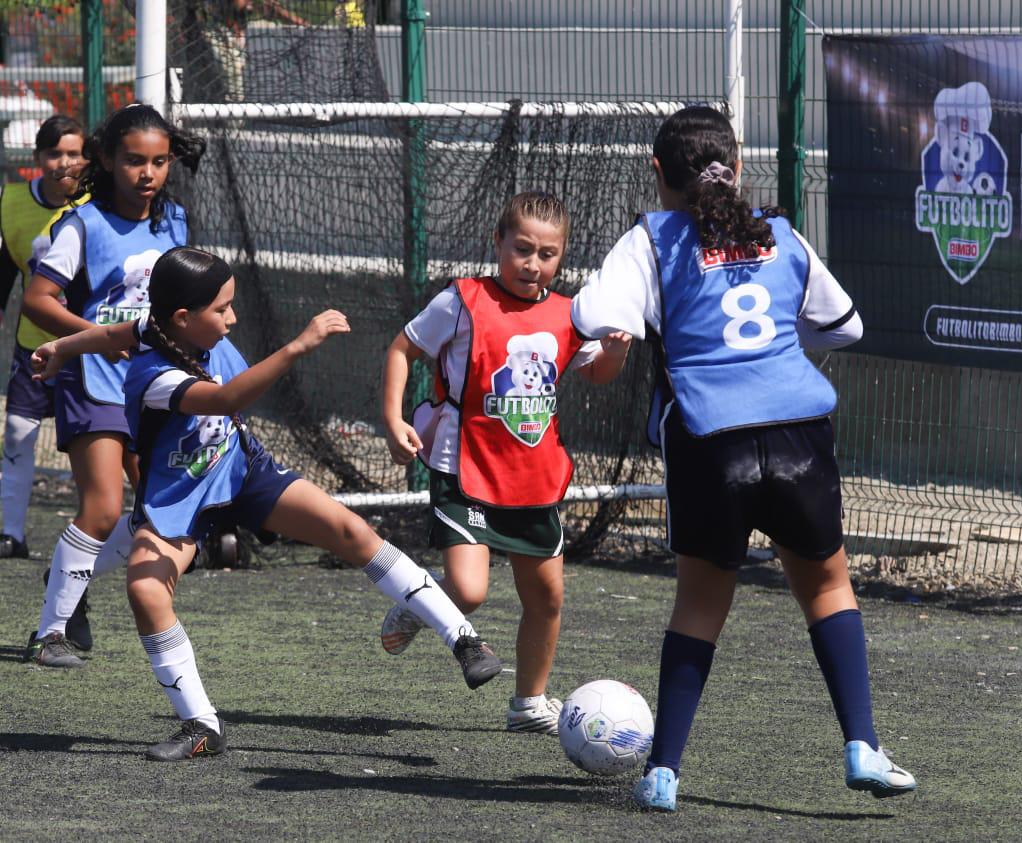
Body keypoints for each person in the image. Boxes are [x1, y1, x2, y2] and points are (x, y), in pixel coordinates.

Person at [570, 106, 917, 811]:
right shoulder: (780, 233)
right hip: (799, 432)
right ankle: (862, 746)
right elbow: (843, 323)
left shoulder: (650, 239)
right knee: (826, 589)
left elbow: (598, 320)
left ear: (658, 172)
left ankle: (663, 771)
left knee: (699, 605)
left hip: (710, 438)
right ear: (740, 164)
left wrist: (614, 341)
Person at [32, 245, 502, 760]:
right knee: (146, 590)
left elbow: (117, 332)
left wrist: (63, 348)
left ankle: (465, 640)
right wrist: (298, 346)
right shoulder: (154, 377)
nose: (233, 318)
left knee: (352, 532)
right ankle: (201, 724)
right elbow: (226, 399)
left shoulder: (158, 327)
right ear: (185, 318)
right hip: (180, 497)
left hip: (241, 468)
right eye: (222, 309)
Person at [379, 191, 632, 734]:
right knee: (469, 591)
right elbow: (403, 349)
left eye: (547, 253)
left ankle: (528, 705)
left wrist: (614, 352)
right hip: (463, 465)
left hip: (533, 479)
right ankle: (420, 603)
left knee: (547, 598)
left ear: (562, 256)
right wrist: (394, 417)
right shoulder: (462, 300)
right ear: (498, 242)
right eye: (522, 249)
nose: (533, 263)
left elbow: (596, 374)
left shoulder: (571, 313)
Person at [21, 104, 202, 668]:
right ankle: (50, 634)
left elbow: (186, 309)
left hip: (154, 386)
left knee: (157, 513)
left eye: (158, 162)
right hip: (92, 380)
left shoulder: (174, 222)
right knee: (101, 508)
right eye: (133, 161)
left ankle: (68, 574)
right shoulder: (83, 224)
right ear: (104, 158)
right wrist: (98, 337)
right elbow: (37, 301)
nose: (147, 173)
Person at [0, 116, 87, 563]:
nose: (64, 162)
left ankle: (110, 533)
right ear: (37, 158)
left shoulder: (101, 205)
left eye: (74, 153)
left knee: (100, 445)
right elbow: (5, 272)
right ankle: (10, 533)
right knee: (17, 432)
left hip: (92, 350)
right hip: (34, 345)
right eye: (55, 153)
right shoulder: (12, 201)